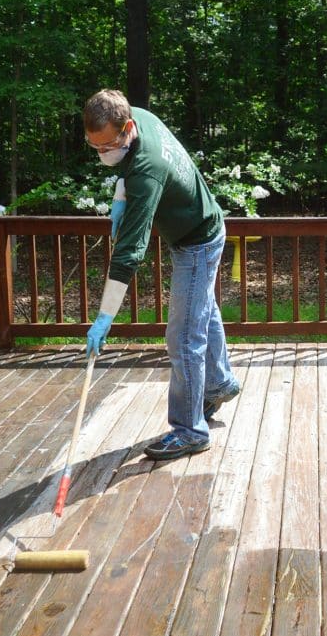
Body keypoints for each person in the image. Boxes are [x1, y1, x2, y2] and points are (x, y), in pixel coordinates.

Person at [83, 89, 239, 460]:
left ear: (128, 127)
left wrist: (105, 316)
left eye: (108, 145)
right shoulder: (138, 116)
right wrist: (121, 198)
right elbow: (127, 166)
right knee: (202, 311)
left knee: (183, 336)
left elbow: (129, 254)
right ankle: (219, 384)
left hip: (198, 240)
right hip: (200, 226)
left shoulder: (146, 170)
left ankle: (189, 431)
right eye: (95, 147)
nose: (103, 153)